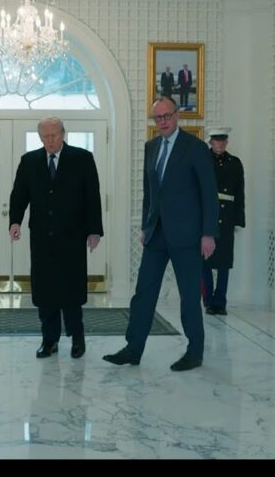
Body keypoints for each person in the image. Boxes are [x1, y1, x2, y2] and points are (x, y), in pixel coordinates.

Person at [103, 96, 218, 372]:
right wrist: (146, 226)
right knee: (143, 293)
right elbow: (150, 192)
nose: (163, 121)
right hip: (156, 234)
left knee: (189, 296)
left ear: (177, 115)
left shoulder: (195, 147)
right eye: (158, 117)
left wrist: (208, 233)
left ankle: (195, 352)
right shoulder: (151, 147)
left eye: (167, 116)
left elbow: (209, 193)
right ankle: (133, 349)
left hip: (188, 235)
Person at [10, 117, 103, 359]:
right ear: (40, 137)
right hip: (42, 239)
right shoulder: (29, 161)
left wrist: (94, 230)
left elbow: (92, 196)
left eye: (54, 135)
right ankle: (49, 340)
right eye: (45, 137)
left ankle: (77, 338)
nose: (50, 140)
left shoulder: (82, 158)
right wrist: (15, 221)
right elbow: (19, 194)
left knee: (71, 292)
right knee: (46, 293)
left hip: (72, 237)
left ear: (63, 134)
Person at [201, 127, 245, 316]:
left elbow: (240, 192)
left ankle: (220, 302)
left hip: (227, 216)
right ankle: (208, 301)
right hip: (207, 215)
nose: (219, 143)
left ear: (226, 142)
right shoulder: (202, 160)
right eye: (216, 140)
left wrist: (238, 219)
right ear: (210, 142)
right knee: (205, 261)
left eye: (222, 140)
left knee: (224, 262)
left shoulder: (235, 163)